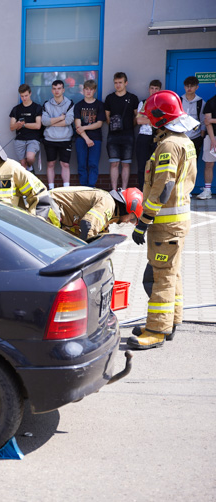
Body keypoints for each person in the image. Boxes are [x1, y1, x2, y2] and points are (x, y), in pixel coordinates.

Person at [127, 90, 198, 350]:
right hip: (177, 221)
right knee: (172, 273)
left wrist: (143, 221)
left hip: (165, 224)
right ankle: (171, 322)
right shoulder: (184, 141)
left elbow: (163, 188)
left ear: (159, 118)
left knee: (161, 278)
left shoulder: (168, 145)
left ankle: (156, 330)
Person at [50, 186, 141, 240]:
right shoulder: (108, 203)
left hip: (58, 213)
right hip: (50, 206)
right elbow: (88, 226)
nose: (128, 222)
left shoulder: (111, 213)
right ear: (128, 207)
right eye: (132, 219)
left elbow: (99, 235)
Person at [104, 72, 139, 192]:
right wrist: (115, 126)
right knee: (114, 163)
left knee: (126, 164)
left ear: (126, 83)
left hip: (128, 135)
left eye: (120, 82)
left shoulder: (133, 98)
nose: (118, 85)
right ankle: (114, 190)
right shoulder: (110, 98)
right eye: (116, 83)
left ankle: (124, 190)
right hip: (113, 136)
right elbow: (107, 117)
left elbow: (137, 116)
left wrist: (128, 126)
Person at [41, 80, 74, 189]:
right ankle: (51, 189)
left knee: (65, 164)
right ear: (52, 90)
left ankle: (66, 189)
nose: (57, 91)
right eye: (54, 89)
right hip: (50, 139)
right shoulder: (46, 104)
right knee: (51, 164)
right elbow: (44, 122)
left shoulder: (70, 103)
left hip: (65, 138)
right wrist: (60, 118)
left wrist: (52, 123)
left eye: (59, 88)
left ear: (63, 90)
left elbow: (69, 121)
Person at [73, 79, 106, 187]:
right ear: (83, 90)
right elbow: (77, 126)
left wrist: (84, 127)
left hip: (96, 139)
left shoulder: (100, 105)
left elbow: (99, 123)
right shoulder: (78, 106)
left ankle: (91, 187)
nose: (88, 92)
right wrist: (86, 139)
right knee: (82, 164)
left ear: (94, 91)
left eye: (91, 89)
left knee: (93, 164)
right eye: (86, 89)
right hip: (81, 139)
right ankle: (83, 188)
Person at [135, 80, 162, 190]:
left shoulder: (162, 103)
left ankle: (154, 190)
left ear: (160, 90)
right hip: (144, 136)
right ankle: (142, 189)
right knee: (142, 166)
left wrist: (148, 118)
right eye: (152, 88)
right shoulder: (143, 102)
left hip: (158, 137)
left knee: (156, 166)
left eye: (156, 89)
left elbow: (163, 121)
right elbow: (139, 120)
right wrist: (154, 120)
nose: (154, 91)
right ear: (149, 89)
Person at [9, 83, 43, 171]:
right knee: (23, 164)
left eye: (26, 95)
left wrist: (23, 124)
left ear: (30, 93)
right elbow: (12, 127)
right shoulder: (16, 109)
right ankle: (28, 179)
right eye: (22, 96)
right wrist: (17, 124)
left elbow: (38, 125)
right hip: (19, 139)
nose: (24, 98)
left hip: (33, 138)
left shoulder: (37, 107)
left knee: (30, 158)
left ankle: (30, 168)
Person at [181, 76, 205, 159]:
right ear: (184, 87)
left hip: (195, 137)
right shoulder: (179, 101)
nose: (189, 88)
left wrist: (201, 137)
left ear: (197, 87)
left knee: (192, 163)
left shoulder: (201, 102)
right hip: (180, 137)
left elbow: (203, 121)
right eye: (187, 86)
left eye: (192, 86)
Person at [200, 85, 216, 200]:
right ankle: (207, 190)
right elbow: (207, 122)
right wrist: (213, 139)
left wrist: (213, 120)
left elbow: (211, 120)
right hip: (211, 137)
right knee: (209, 164)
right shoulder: (211, 102)